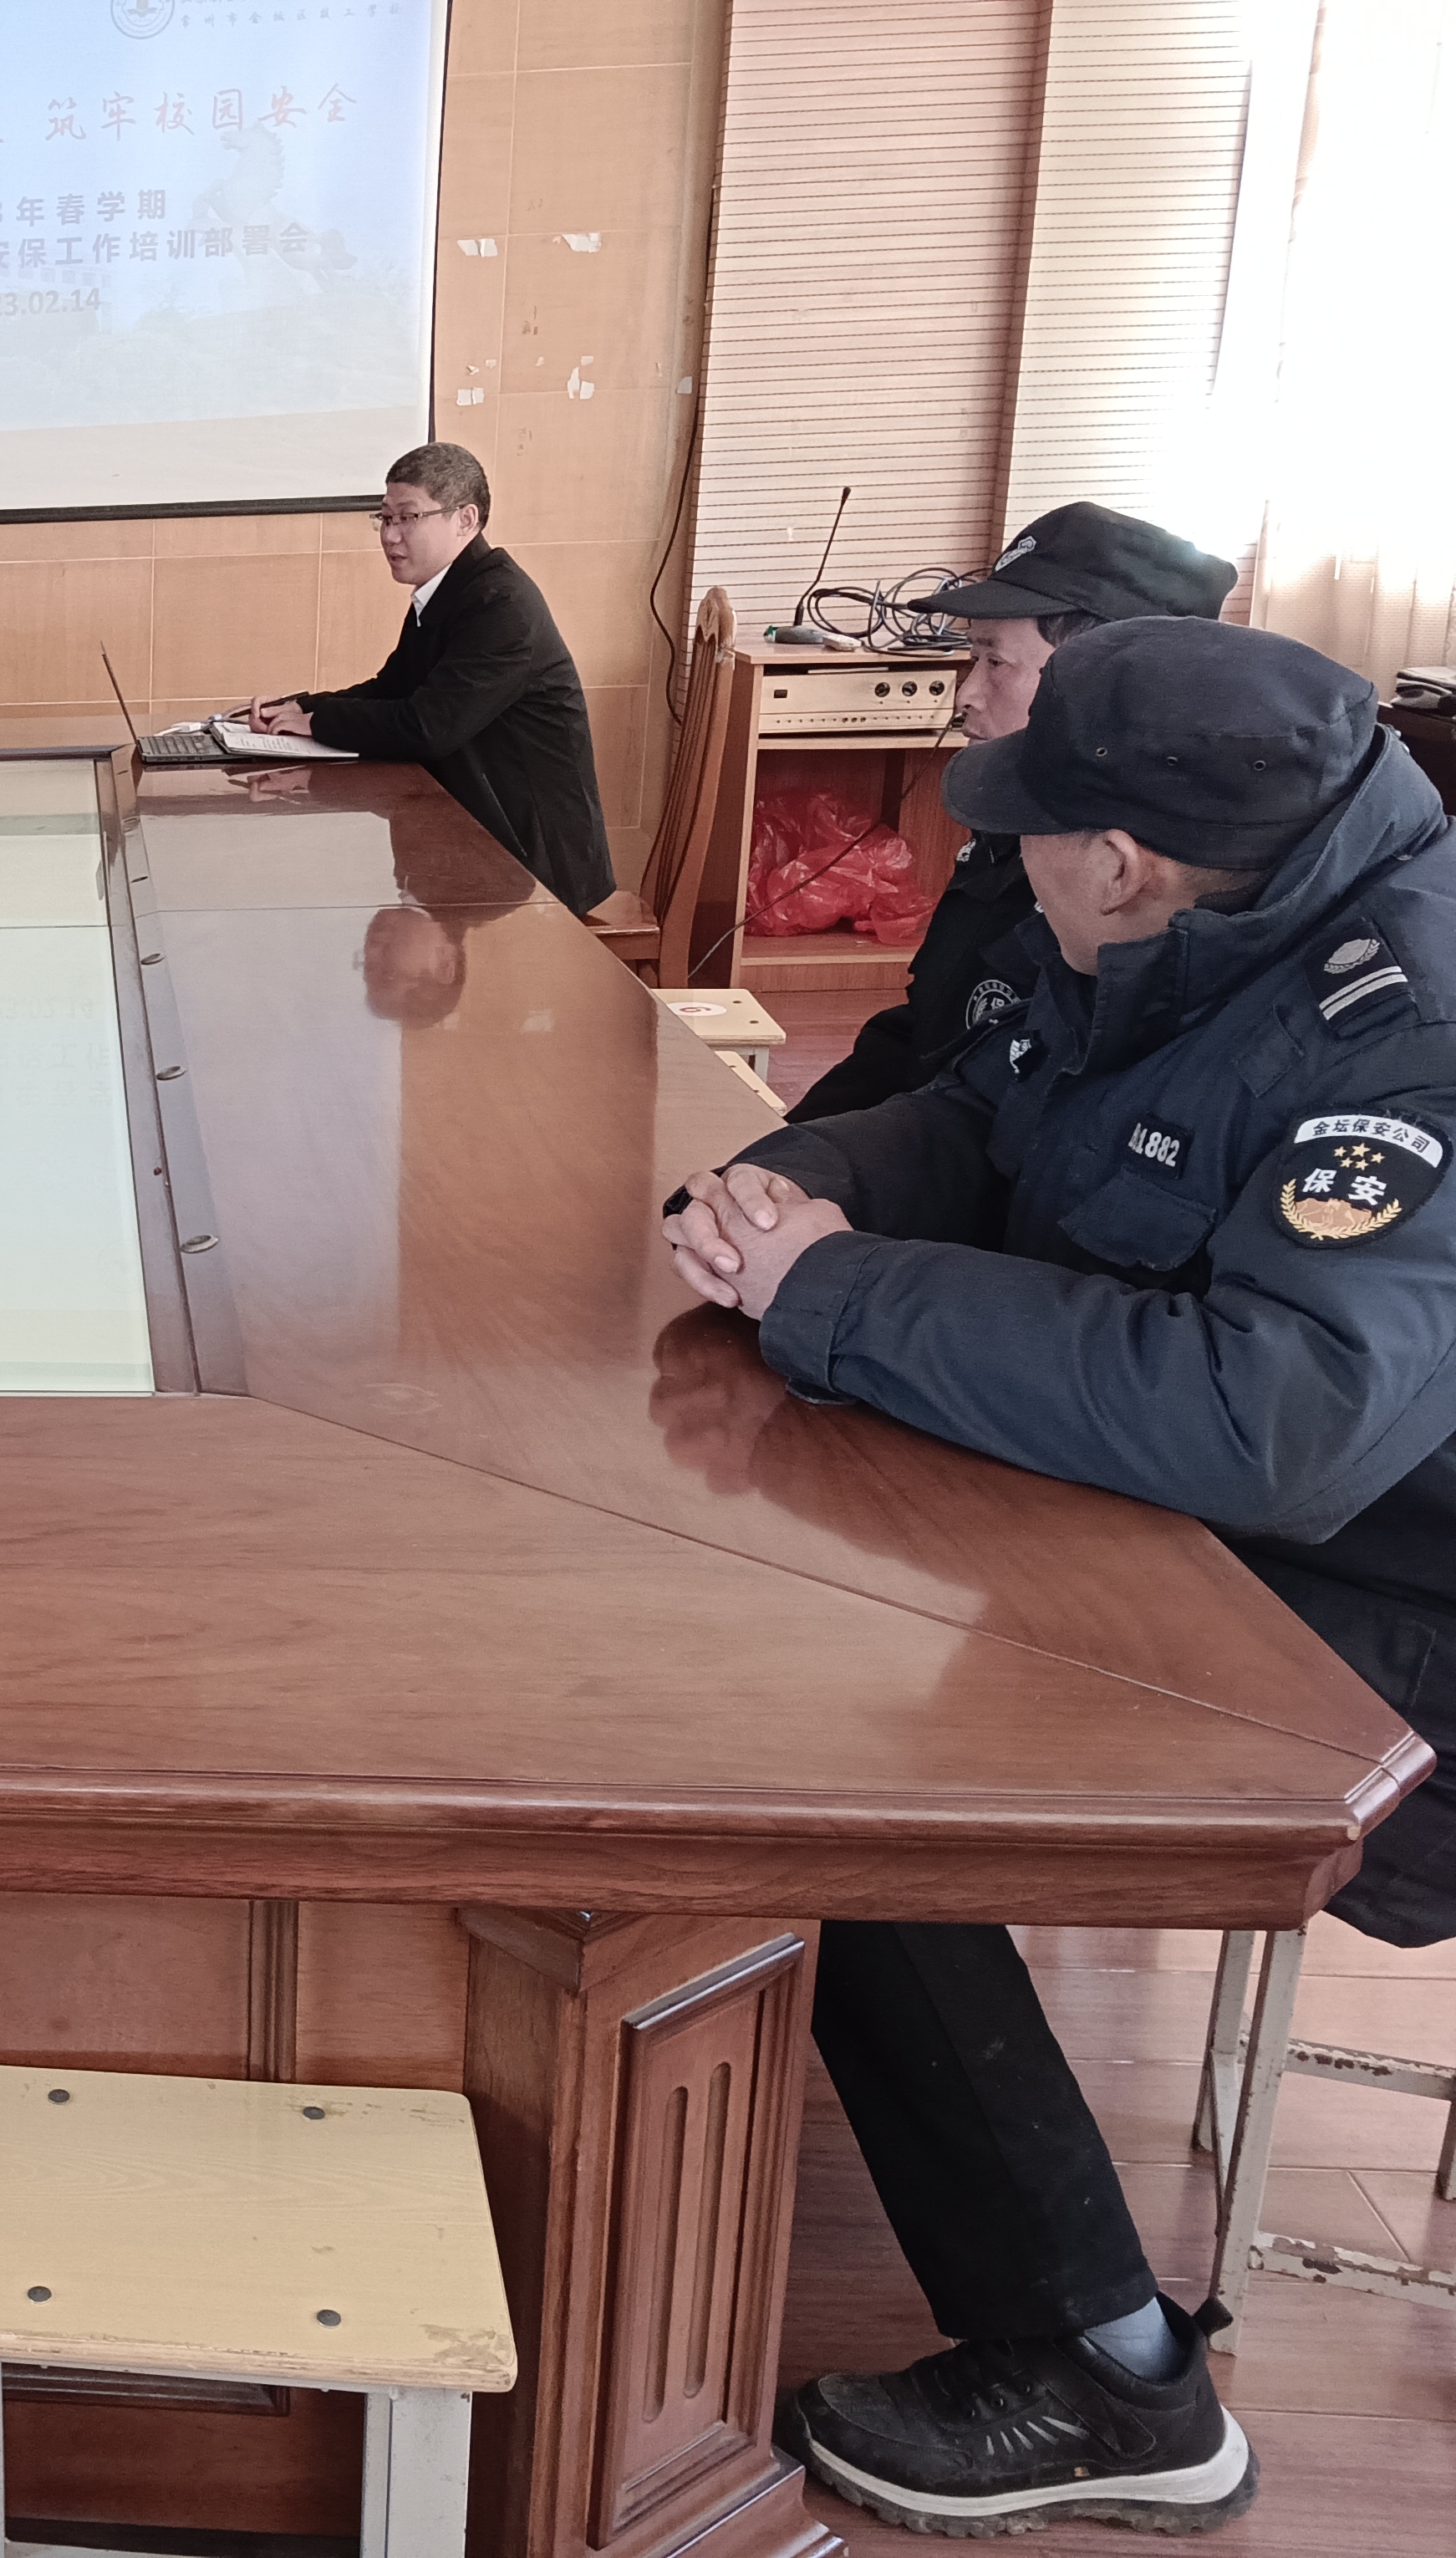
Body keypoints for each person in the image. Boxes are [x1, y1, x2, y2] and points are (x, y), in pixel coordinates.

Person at [662, 616, 1456, 2536]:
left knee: (828, 1775)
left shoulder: (1411, 1034)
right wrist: (803, 1184)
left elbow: (1268, 1418)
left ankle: (1101, 2370)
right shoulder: (1174, 924)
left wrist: (838, 1297)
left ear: (1118, 859)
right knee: (773, 1657)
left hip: (1384, 1635)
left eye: (1025, 826)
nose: (997, 852)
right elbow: (978, 1111)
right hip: (1182, 1530)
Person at [788, 502, 1234, 1122]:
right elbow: (928, 1030)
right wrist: (785, 1149)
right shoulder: (1009, 829)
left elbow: (1018, 1127)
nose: (965, 695)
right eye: (973, 659)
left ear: (1110, 682)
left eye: (995, 662)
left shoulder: (1161, 890)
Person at [237, 440, 614, 915]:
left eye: (407, 517)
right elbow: (393, 689)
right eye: (384, 518)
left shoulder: (501, 605)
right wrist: (302, 708)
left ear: (465, 519)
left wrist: (318, 722)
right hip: (470, 836)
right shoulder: (452, 590)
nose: (389, 536)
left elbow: (429, 727)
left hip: (531, 870)